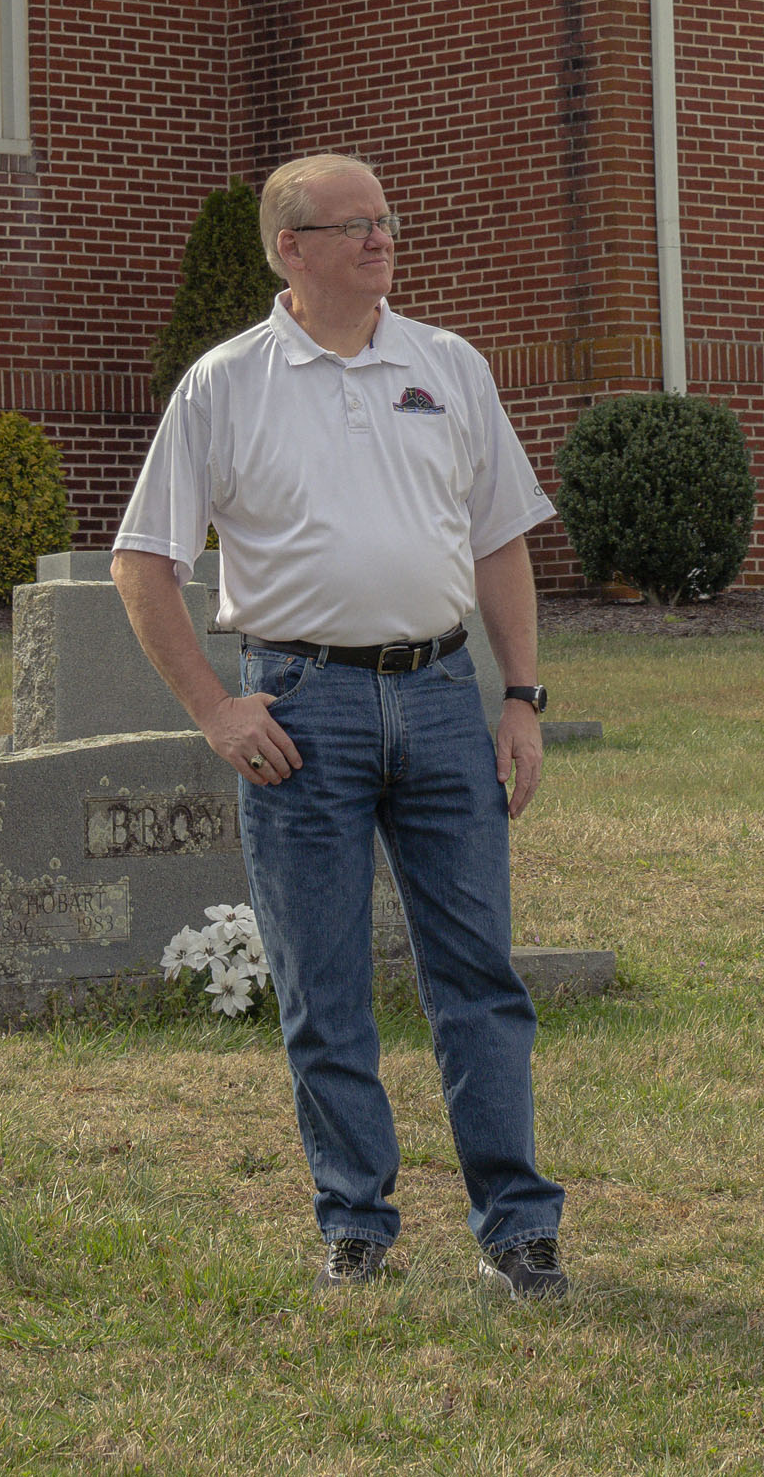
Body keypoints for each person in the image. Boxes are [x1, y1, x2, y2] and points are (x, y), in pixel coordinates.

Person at [112, 152, 568, 1298]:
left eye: (386, 221)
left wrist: (518, 698)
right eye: (352, 225)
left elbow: (499, 540)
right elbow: (143, 560)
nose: (381, 240)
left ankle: (517, 1228)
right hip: (302, 712)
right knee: (323, 983)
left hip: (441, 698)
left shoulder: (449, 366)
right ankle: (355, 1224)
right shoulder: (225, 385)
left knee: (479, 977)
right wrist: (216, 708)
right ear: (289, 250)